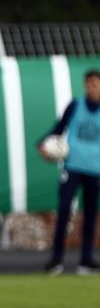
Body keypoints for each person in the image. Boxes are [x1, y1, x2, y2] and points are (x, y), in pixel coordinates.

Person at [39, 69, 100, 275]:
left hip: (95, 170)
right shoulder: (75, 105)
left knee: (90, 215)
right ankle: (56, 260)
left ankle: (86, 260)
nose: (91, 88)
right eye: (88, 84)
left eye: (95, 84)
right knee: (64, 210)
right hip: (72, 167)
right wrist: (43, 144)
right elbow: (59, 128)